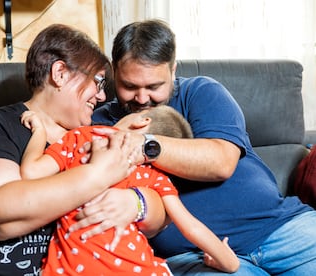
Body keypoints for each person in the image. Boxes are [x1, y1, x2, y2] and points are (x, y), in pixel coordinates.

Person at [0, 24, 159, 276]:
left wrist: (137, 202)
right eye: (98, 81)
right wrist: (97, 176)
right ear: (60, 73)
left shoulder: (99, 137)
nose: (102, 97)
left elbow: (159, 208)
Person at [92, 19, 316, 275]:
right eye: (129, 86)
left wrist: (144, 145)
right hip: (194, 255)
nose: (142, 99)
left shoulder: (200, 92)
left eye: (154, 87)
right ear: (114, 72)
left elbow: (221, 163)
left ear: (172, 70)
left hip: (282, 229)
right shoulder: (100, 121)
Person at [20, 105, 239, 275]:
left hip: (70, 269)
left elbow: (30, 172)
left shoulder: (81, 138)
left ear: (142, 121)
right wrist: (227, 261)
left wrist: (39, 131)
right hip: (137, 268)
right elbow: (191, 227)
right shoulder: (154, 178)